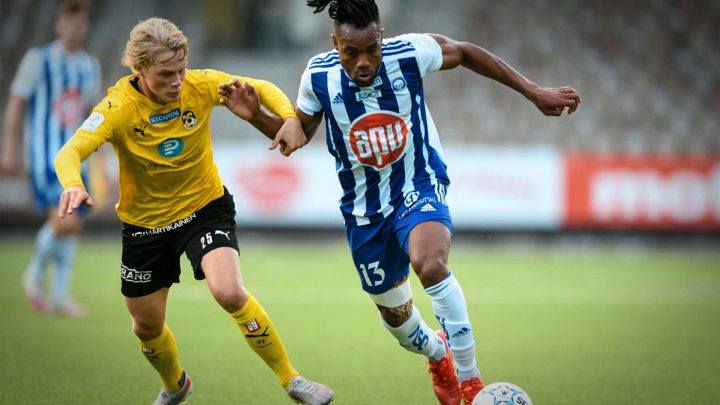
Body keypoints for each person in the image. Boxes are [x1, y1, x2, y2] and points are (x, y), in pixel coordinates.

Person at [221, 1, 581, 404]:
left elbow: (464, 52)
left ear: (382, 37)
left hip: (418, 182)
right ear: (334, 43)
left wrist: (533, 91)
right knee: (397, 320)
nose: (363, 62)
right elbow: (297, 136)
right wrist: (254, 115)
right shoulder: (318, 76)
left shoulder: (409, 52)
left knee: (430, 264)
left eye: (371, 49)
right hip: (364, 209)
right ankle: (436, 353)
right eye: (350, 52)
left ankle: (471, 381)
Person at [54, 17, 334, 405]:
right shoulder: (117, 108)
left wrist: (287, 115)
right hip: (145, 225)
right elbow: (71, 151)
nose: (177, 81)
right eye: (166, 74)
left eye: (181, 70)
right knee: (146, 327)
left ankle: (292, 379)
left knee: (229, 291)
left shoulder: (199, 85)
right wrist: (73, 183)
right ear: (140, 70)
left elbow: (262, 87)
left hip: (204, 207)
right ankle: (175, 386)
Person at [1, 0, 101, 318]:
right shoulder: (38, 60)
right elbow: (16, 104)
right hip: (46, 156)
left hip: (78, 158)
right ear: (59, 24)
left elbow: (94, 117)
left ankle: (59, 297)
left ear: (86, 26)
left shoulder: (89, 66)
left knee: (72, 227)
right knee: (66, 220)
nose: (75, 28)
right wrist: (10, 150)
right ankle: (33, 272)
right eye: (69, 21)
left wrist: (102, 163)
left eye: (80, 22)